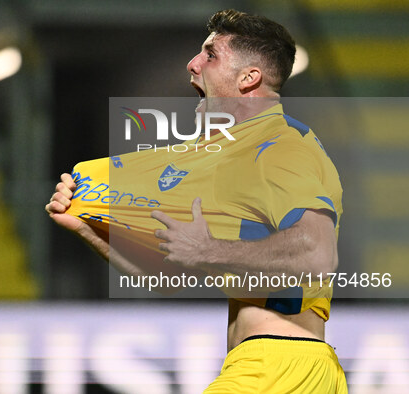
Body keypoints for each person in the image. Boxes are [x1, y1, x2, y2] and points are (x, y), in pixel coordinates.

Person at [46, 9, 348, 393]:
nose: (192, 64)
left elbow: (315, 253)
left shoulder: (281, 146)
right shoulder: (237, 155)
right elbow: (168, 277)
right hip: (284, 366)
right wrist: (87, 225)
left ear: (249, 78)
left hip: (278, 367)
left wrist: (207, 248)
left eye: (210, 55)